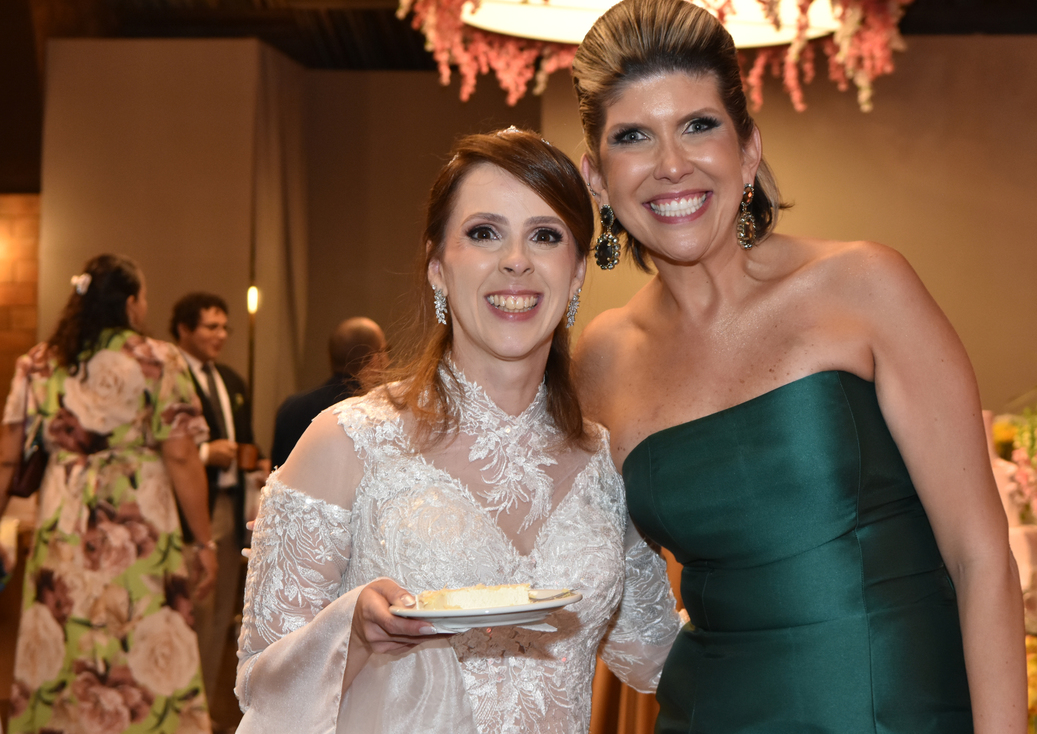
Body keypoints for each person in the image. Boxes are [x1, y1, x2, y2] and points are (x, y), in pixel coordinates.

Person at [571, 0, 1026, 733]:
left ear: (748, 149)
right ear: (597, 178)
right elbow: (566, 562)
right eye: (633, 137)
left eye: (699, 126)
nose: (672, 165)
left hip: (898, 715)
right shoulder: (600, 358)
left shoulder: (865, 286)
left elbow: (982, 558)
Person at [235, 128, 681, 733]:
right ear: (437, 266)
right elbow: (260, 687)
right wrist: (354, 632)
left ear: (577, 270)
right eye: (484, 233)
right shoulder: (346, 443)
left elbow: (660, 657)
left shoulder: (609, 466)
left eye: (545, 236)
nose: (516, 260)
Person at [0, 254, 216, 733]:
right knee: (140, 631)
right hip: (138, 526)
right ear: (132, 303)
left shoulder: (38, 363)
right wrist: (204, 541)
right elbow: (182, 457)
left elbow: (7, 458)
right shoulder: (158, 360)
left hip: (65, 524)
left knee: (65, 634)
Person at [170, 292, 261, 709]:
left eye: (225, 327)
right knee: (194, 609)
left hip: (231, 502)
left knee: (223, 610)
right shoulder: (170, 376)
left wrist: (256, 460)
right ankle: (181, 708)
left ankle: (203, 711)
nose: (220, 335)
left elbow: (245, 440)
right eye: (211, 327)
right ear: (184, 329)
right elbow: (164, 447)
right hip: (190, 511)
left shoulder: (231, 380)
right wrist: (207, 454)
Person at [270, 316, 387, 467]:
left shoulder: (290, 407)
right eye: (385, 350)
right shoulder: (373, 414)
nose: (388, 360)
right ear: (374, 358)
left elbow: (276, 473)